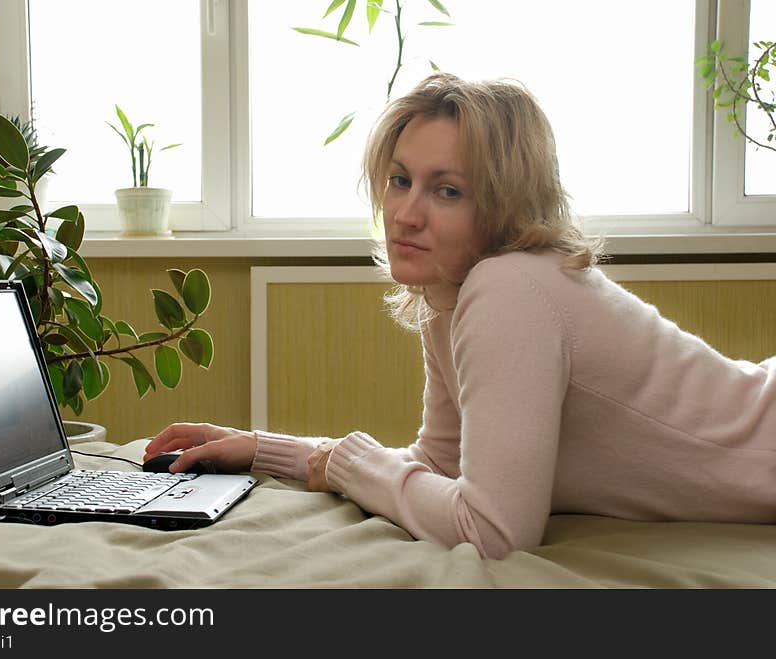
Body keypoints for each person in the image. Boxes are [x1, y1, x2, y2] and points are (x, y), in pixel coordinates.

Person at [145, 72, 776, 559]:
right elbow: (437, 466)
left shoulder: (510, 290)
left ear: (503, 202)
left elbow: (495, 531)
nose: (406, 214)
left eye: (447, 190)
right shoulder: (452, 296)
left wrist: (342, 463)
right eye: (399, 180)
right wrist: (263, 450)